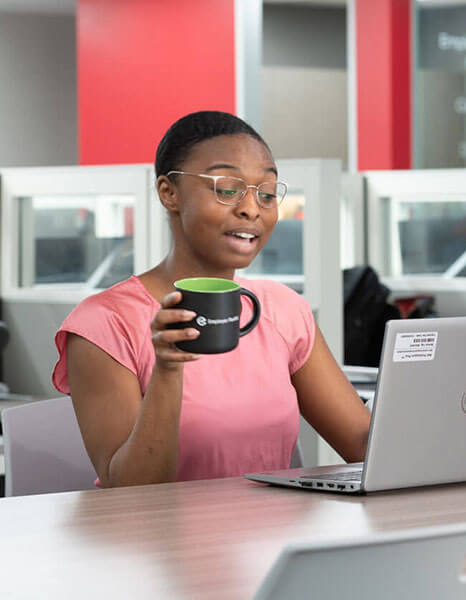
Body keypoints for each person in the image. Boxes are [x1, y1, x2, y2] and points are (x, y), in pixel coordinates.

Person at [52, 110, 370, 488]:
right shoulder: (104, 324)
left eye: (267, 193)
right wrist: (167, 371)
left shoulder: (284, 310)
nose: (251, 208)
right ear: (169, 193)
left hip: (273, 540)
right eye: (227, 188)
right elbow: (133, 492)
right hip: (157, 542)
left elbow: (363, 445)